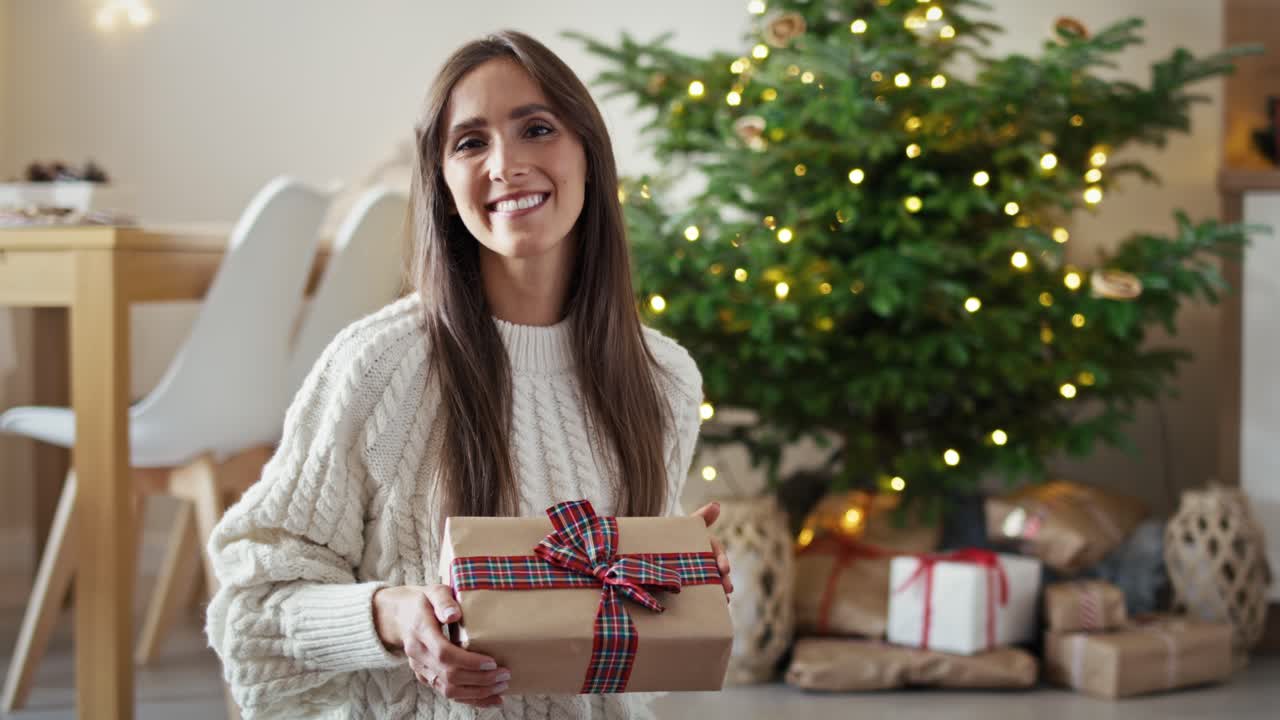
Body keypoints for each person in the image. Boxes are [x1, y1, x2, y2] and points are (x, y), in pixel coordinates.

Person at [205, 30, 733, 719]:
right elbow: (251, 608)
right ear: (444, 185)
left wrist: (679, 588)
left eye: (536, 129)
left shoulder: (664, 379)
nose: (505, 165)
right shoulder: (379, 367)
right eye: (470, 142)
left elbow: (628, 666)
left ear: (589, 155)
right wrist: (389, 617)